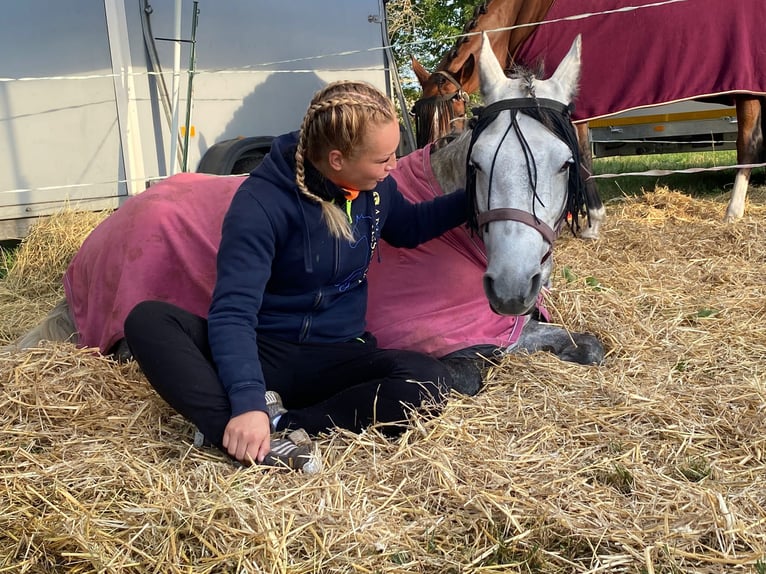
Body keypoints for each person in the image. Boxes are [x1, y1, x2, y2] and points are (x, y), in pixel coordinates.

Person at [123, 80, 468, 472]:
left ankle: (284, 426)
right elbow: (233, 311)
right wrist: (247, 398)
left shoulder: (376, 189)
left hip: (339, 354)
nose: (393, 166)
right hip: (264, 350)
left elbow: (411, 227)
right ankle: (236, 430)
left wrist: (475, 197)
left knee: (429, 381)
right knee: (148, 321)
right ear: (337, 159)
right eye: (382, 158)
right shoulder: (260, 203)